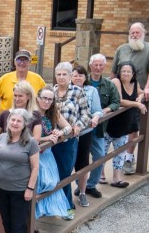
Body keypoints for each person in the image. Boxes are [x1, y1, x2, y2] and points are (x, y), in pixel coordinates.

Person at [0, 81, 42, 233]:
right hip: (4, 176)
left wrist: (18, 147)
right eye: (16, 95)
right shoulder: (6, 116)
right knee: (4, 210)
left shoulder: (34, 117)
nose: (17, 98)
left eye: (21, 95)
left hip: (21, 177)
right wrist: (8, 145)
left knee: (18, 214)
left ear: (28, 97)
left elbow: (35, 144)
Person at [111, 22, 149, 174]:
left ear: (143, 33)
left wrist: (148, 88)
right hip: (120, 92)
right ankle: (115, 160)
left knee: (133, 125)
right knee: (116, 126)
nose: (135, 35)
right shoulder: (121, 49)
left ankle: (129, 158)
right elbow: (113, 72)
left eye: (138, 32)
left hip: (138, 92)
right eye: (132, 32)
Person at [52, 62, 91, 220]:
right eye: (59, 74)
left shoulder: (77, 91)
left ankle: (67, 206)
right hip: (53, 140)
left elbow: (86, 115)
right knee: (52, 174)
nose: (61, 77)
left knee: (65, 174)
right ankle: (54, 205)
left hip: (68, 141)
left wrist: (78, 127)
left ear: (70, 76)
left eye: (65, 74)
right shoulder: (51, 92)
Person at [105, 62, 147, 189]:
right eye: (123, 71)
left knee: (120, 152)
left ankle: (116, 179)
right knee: (102, 153)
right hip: (110, 124)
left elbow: (141, 92)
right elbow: (119, 100)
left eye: (129, 71)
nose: (126, 74)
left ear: (133, 73)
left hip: (124, 125)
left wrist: (140, 96)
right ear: (119, 72)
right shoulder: (116, 81)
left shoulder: (135, 84)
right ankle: (99, 177)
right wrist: (137, 104)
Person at [35, 86, 71, 220]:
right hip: (36, 155)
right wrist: (46, 138)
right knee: (38, 184)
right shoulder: (32, 114)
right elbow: (28, 136)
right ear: (38, 99)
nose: (47, 102)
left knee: (50, 183)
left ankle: (46, 210)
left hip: (48, 155)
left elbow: (68, 126)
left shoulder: (53, 112)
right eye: (44, 98)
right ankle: (33, 218)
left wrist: (60, 132)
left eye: (50, 99)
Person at [86, 54, 120, 193]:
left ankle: (91, 185)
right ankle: (80, 186)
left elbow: (116, 102)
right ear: (90, 65)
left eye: (101, 65)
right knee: (80, 160)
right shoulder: (81, 80)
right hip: (81, 129)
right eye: (95, 64)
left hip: (98, 130)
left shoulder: (109, 84)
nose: (98, 68)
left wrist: (105, 110)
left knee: (100, 157)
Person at [71, 65, 103, 208]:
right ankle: (64, 194)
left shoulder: (92, 91)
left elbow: (97, 110)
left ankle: (82, 192)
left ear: (85, 77)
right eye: (75, 75)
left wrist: (95, 118)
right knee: (67, 163)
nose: (78, 78)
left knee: (83, 163)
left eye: (81, 75)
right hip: (68, 134)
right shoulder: (66, 90)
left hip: (85, 132)